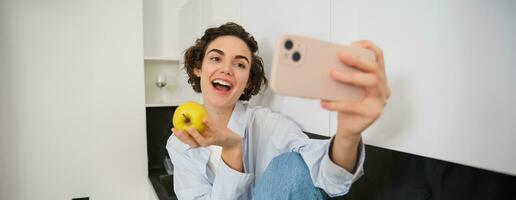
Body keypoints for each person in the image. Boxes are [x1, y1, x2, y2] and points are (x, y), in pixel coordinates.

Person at [166, 22, 391, 200]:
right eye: (216, 58)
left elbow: (328, 178)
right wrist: (232, 149)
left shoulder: (267, 124)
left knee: (290, 165)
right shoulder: (179, 143)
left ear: (248, 82)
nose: (226, 69)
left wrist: (348, 135)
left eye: (240, 64)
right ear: (198, 68)